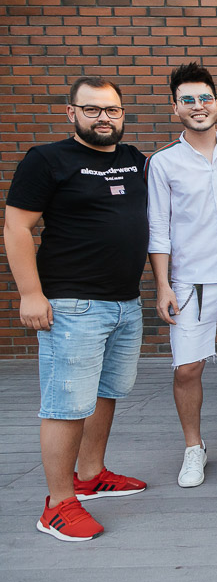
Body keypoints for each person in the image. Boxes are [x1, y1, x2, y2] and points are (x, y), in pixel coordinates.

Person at [5, 77, 148, 541]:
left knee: (105, 393)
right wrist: (30, 293)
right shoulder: (47, 159)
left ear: (122, 113)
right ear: (72, 113)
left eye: (112, 110)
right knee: (66, 405)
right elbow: (16, 227)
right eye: (92, 109)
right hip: (72, 305)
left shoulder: (133, 159)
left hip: (125, 302)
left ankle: (90, 475)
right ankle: (58, 504)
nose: (103, 118)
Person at [148, 62, 217, 488]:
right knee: (187, 369)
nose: (198, 106)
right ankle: (194, 447)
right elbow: (158, 228)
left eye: (205, 98)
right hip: (190, 283)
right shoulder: (164, 163)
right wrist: (162, 285)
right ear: (175, 108)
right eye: (188, 100)